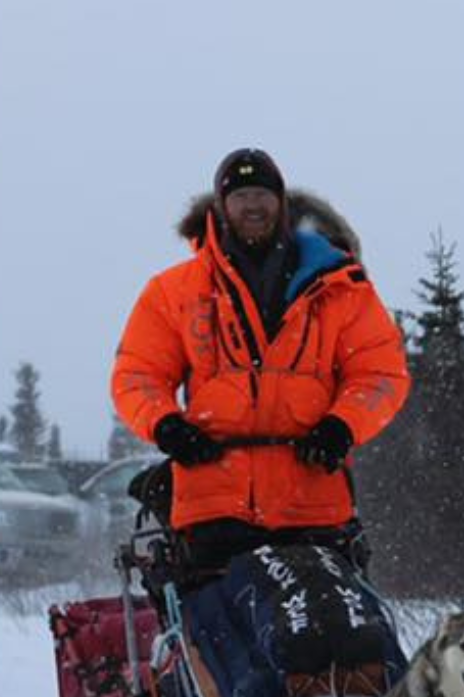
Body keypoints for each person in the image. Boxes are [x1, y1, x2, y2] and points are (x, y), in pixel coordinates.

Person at [109, 148, 410, 575]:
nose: (254, 206)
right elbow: (138, 375)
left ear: (281, 203)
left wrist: (343, 425)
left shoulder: (342, 288)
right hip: (213, 508)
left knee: (331, 634)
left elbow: (380, 373)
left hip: (314, 507)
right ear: (221, 206)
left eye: (263, 195)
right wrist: (166, 425)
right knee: (221, 635)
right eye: (241, 196)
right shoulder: (174, 292)